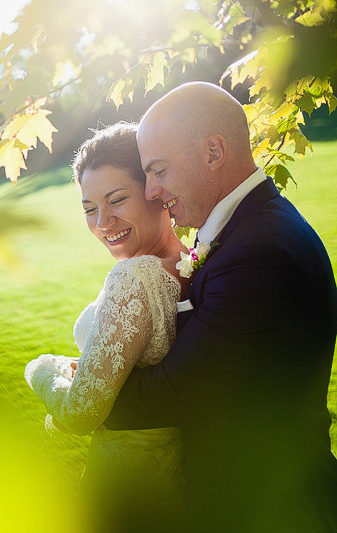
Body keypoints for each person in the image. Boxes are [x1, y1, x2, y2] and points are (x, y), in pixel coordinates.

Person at [104, 81, 337, 532]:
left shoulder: (258, 251)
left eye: (158, 170)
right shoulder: (243, 228)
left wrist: (85, 387)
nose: (151, 191)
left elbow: (178, 394)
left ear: (213, 152)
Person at [24, 122, 189, 531]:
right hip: (172, 479)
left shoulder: (133, 278)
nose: (102, 222)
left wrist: (43, 370)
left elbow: (80, 413)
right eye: (88, 209)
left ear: (155, 191)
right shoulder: (191, 258)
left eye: (116, 200)